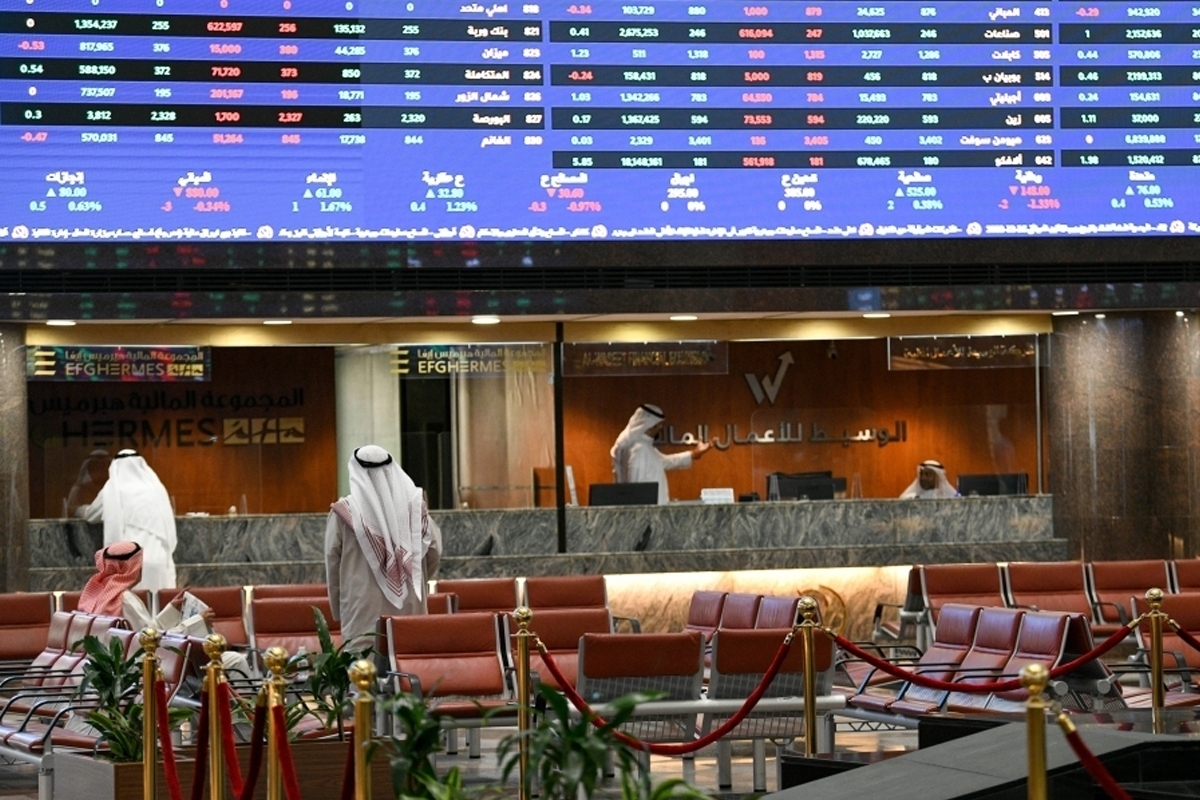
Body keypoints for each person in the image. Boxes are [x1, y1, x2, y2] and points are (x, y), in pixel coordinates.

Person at [325, 445, 443, 651]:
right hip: (410, 605)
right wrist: (416, 577)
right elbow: (434, 551)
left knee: (364, 669)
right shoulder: (415, 508)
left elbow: (332, 563)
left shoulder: (343, 513)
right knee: (409, 666)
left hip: (361, 608)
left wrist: (338, 608)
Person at [76, 540, 248, 674]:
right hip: (144, 668)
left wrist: (171, 610)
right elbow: (155, 642)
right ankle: (242, 710)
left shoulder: (101, 594)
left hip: (127, 665)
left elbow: (146, 632)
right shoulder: (124, 599)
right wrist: (197, 621)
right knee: (235, 660)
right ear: (132, 568)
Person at [76, 449, 177, 591]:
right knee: (159, 603)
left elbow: (92, 515)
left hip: (131, 562)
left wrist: (79, 510)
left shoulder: (113, 489)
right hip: (158, 560)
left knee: (133, 604)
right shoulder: (156, 488)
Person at [611, 404, 711, 505]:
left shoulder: (646, 448)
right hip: (648, 513)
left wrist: (695, 453)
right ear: (649, 425)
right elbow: (636, 491)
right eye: (658, 424)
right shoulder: (639, 449)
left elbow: (666, 461)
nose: (661, 427)